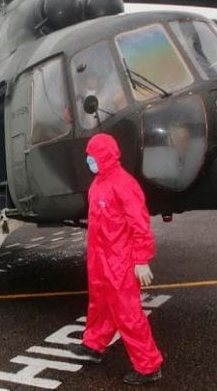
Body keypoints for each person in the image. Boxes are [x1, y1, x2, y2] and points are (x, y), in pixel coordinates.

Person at [67, 133, 163, 385]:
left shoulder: (124, 184)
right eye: (88, 156)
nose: (89, 160)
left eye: (93, 156)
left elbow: (139, 223)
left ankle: (149, 366)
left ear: (105, 156)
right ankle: (94, 346)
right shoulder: (98, 183)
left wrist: (141, 259)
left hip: (120, 261)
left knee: (128, 314)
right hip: (100, 259)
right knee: (99, 305)